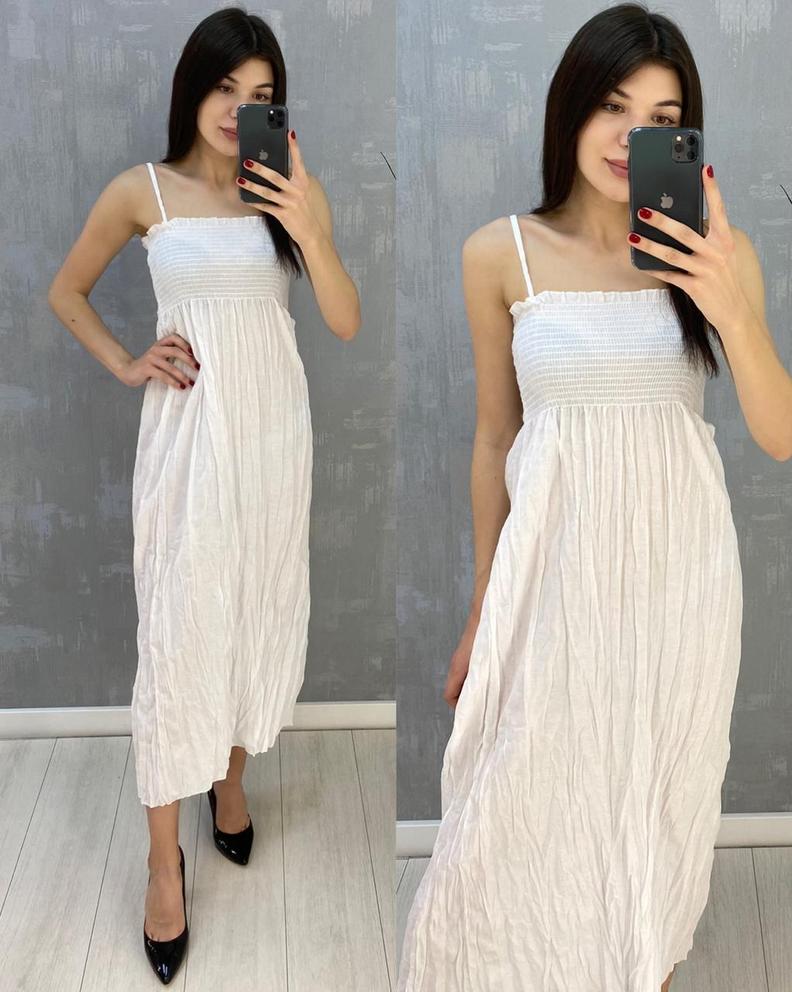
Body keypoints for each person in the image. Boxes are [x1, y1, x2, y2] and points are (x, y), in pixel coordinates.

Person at [397, 4, 791, 990]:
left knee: (652, 808)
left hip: (677, 581)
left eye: (662, 118)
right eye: (613, 106)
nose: (629, 137)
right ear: (571, 108)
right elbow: (497, 438)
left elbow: (780, 433)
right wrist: (483, 609)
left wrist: (725, 300)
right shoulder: (499, 254)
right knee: (520, 805)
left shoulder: (722, 256)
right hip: (552, 580)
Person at [47, 7, 360, 984]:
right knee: (179, 637)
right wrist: (127, 361)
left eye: (260, 95)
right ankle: (162, 863)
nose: (238, 108)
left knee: (253, 611)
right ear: (195, 87)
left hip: (273, 443)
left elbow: (344, 319)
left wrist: (305, 222)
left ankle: (228, 785)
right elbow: (66, 290)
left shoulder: (290, 190)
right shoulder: (141, 191)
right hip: (188, 445)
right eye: (226, 87)